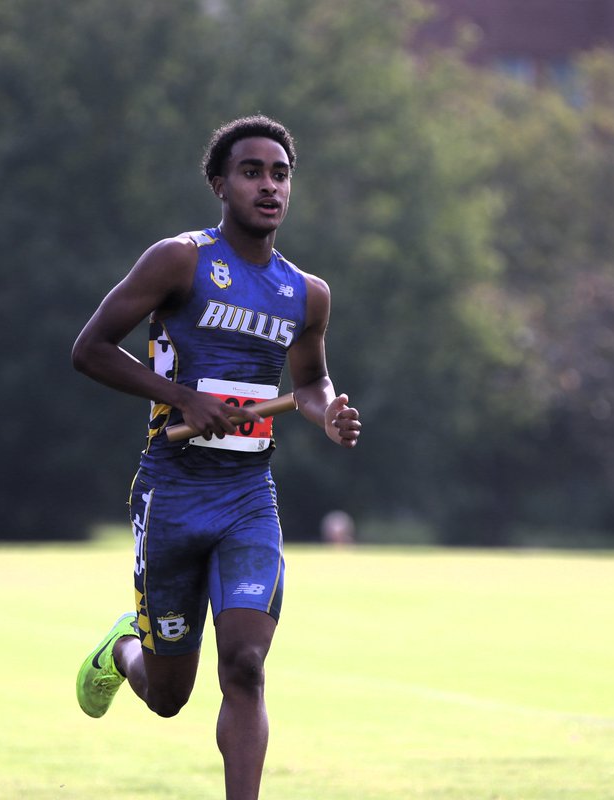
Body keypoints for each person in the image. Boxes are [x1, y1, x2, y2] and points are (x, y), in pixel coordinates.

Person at [70, 114, 361, 800]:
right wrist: (180, 397)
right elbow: (89, 349)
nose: (269, 186)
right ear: (219, 184)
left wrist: (327, 412)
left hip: (246, 495)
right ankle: (123, 648)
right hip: (171, 490)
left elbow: (310, 381)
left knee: (248, 668)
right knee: (170, 696)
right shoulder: (180, 260)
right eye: (252, 172)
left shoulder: (306, 294)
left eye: (280, 174)